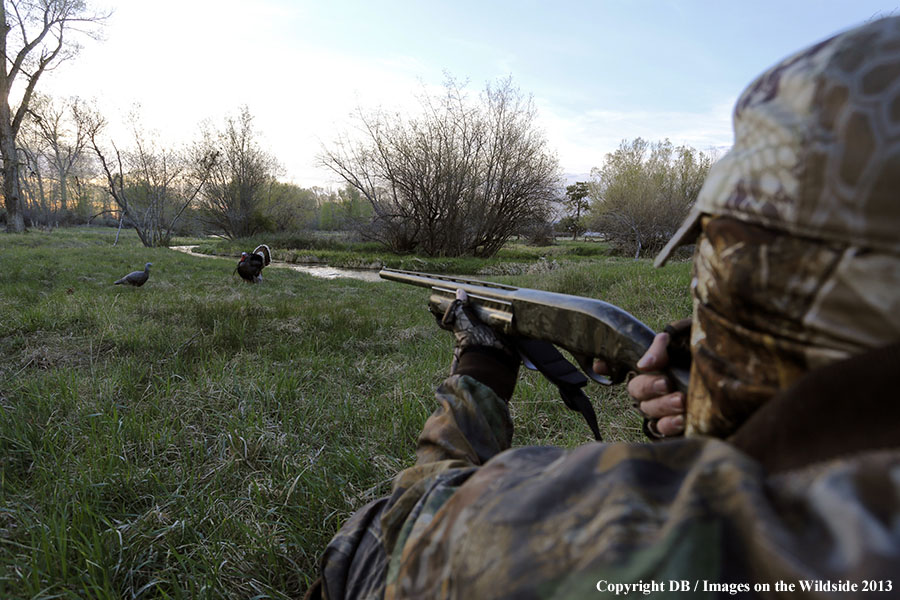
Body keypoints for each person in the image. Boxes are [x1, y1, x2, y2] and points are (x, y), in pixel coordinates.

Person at [306, 17, 900, 599]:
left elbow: (413, 531)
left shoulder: (668, 534)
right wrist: (734, 391)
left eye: (716, 272)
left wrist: (477, 370)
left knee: (365, 546)